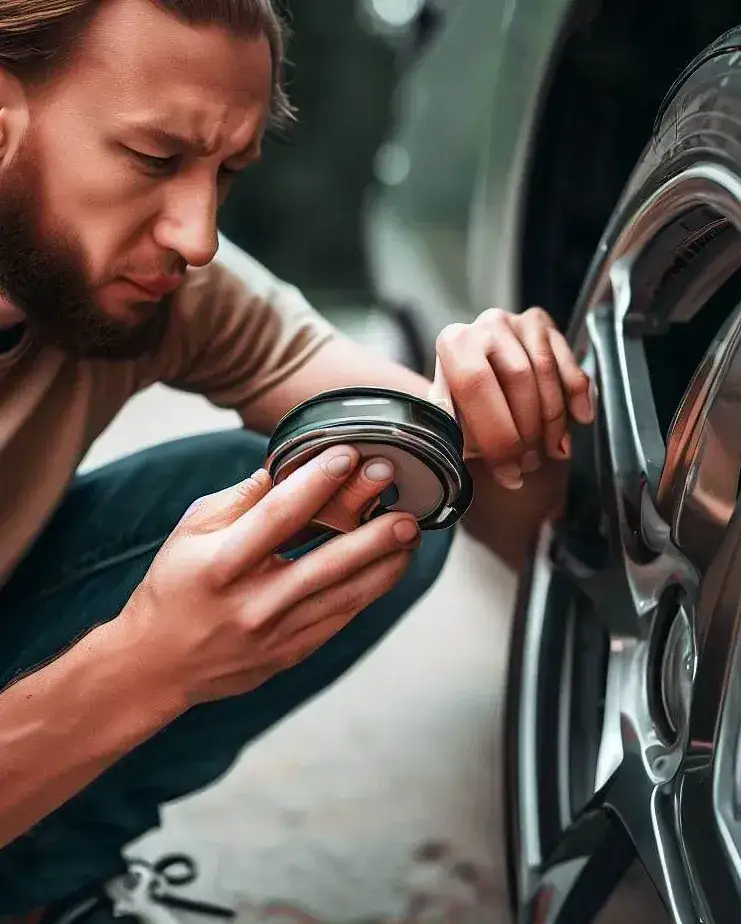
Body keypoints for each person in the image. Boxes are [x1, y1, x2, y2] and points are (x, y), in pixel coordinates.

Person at [0, 0, 595, 919]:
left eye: (226, 171)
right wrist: (144, 666)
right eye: (156, 158)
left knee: (354, 492)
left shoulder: (174, 291)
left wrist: (502, 399)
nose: (195, 237)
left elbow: (440, 458)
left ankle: (36, 881)